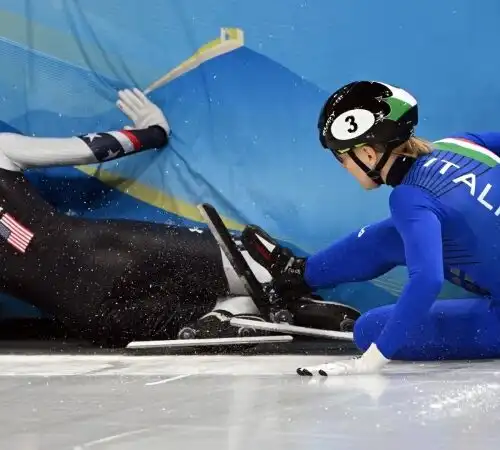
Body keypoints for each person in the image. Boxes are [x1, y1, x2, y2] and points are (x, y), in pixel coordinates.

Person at [242, 80, 500, 376]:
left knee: (370, 330)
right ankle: (297, 274)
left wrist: (369, 362)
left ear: (366, 154)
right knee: (394, 236)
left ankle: (300, 278)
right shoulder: (459, 144)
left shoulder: (411, 197)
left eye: (341, 158)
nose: (343, 167)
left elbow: (428, 281)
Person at [0, 88, 275, 346]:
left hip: (90, 318)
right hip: (112, 253)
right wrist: (153, 131)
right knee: (268, 268)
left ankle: (228, 313)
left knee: (227, 306)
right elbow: (91, 149)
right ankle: (250, 305)